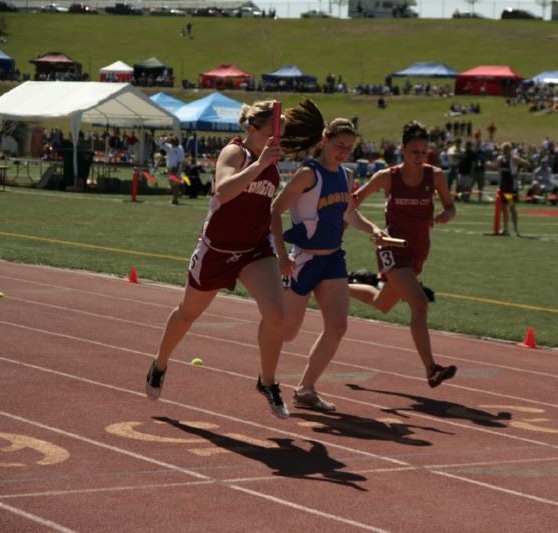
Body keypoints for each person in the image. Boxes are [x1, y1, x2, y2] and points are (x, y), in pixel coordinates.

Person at [145, 100, 291, 418]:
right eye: (272, 130)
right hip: (218, 249)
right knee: (187, 314)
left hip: (254, 250)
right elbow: (223, 191)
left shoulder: (271, 158)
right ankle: (159, 363)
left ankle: (267, 381)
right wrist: (260, 164)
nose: (276, 137)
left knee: (277, 313)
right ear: (253, 128)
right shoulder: (236, 153)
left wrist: (279, 251)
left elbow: (265, 206)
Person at [271, 102, 386, 412]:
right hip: (303, 260)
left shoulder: (346, 175)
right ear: (324, 140)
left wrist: (373, 229)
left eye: (349, 148)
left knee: (337, 327)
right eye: (339, 146)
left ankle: (305, 389)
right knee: (287, 332)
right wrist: (281, 255)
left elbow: (349, 211)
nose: (343, 152)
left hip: (333, 260)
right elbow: (275, 210)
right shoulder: (308, 174)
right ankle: (266, 376)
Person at [348, 121, 458, 389]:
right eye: (414, 152)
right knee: (419, 303)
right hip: (392, 247)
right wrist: (372, 230)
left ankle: (339, 285)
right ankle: (432, 368)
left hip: (419, 251)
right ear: (402, 150)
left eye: (424, 152)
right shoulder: (387, 177)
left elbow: (451, 206)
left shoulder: (436, 176)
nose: (420, 157)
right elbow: (352, 203)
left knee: (383, 303)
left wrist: (446, 215)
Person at [496, 142, 529, 236]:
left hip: (510, 187)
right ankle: (505, 229)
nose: (505, 151)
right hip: (503, 186)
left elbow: (527, 163)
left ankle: (516, 229)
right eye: (503, 149)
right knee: (503, 208)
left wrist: (519, 172)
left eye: (507, 149)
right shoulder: (500, 159)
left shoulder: (514, 158)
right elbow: (497, 168)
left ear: (510, 150)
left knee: (511, 207)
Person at [158, 135, 186, 205]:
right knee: (172, 185)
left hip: (176, 168)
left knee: (175, 184)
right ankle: (174, 198)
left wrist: (176, 168)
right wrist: (166, 140)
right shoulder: (169, 147)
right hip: (169, 168)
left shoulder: (180, 148)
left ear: (176, 142)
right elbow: (160, 144)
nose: (172, 143)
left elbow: (180, 160)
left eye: (173, 141)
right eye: (171, 141)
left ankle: (175, 199)